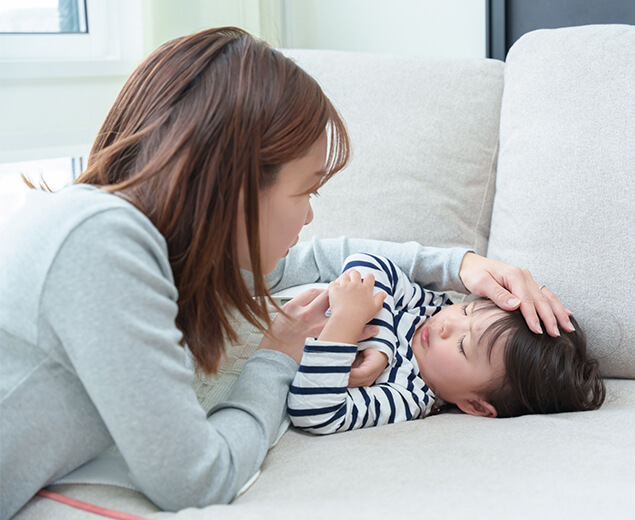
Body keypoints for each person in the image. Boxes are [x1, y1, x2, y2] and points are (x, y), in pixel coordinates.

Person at [0, 27, 573, 519]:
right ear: (239, 190)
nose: (310, 215)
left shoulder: (155, 254)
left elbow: (314, 262)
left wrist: (463, 266)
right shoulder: (103, 251)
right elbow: (197, 477)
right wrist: (276, 358)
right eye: (306, 191)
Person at [287, 254, 605, 434]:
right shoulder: (425, 307)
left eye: (463, 346)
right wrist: (379, 340)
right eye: (466, 310)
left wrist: (345, 324)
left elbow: (314, 412)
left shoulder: (406, 396)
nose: (446, 325)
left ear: (475, 405)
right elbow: (366, 261)